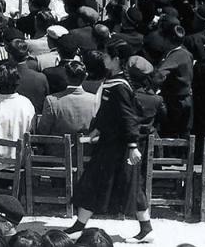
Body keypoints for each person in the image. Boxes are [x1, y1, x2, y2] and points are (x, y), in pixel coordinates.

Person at [65, 39, 153, 244]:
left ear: (116, 60)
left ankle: (146, 228)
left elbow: (127, 117)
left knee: (128, 184)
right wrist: (96, 129)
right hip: (109, 143)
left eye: (106, 55)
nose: (103, 58)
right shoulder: (113, 80)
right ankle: (80, 225)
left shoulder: (120, 85)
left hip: (120, 146)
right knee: (96, 181)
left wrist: (133, 146)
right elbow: (107, 113)